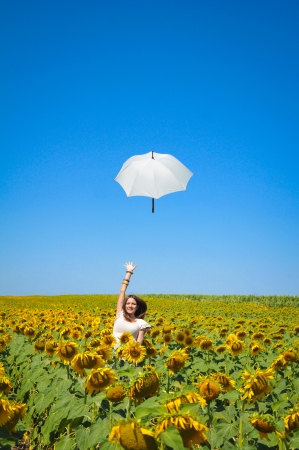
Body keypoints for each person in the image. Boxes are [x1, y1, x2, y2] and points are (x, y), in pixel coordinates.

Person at [113, 262, 150, 346]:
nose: (130, 305)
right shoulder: (120, 314)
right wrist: (129, 273)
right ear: (124, 305)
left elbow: (138, 344)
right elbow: (122, 291)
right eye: (128, 303)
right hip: (112, 356)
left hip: (128, 356)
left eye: (133, 304)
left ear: (137, 307)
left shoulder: (141, 323)